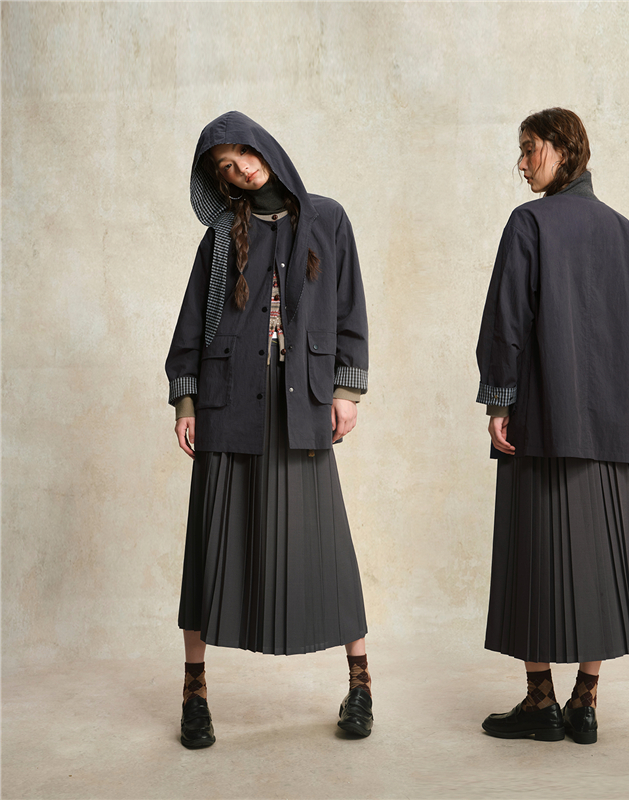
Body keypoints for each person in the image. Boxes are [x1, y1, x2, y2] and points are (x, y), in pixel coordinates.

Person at [165, 111, 373, 748]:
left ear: (265, 147)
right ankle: (194, 691)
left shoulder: (327, 218)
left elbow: (349, 308)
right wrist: (186, 403)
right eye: (226, 167)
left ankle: (361, 684)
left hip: (303, 404)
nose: (242, 170)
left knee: (328, 547)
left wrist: (346, 390)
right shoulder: (221, 238)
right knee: (210, 547)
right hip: (229, 405)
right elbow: (192, 323)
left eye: (244, 154)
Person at [475, 108, 629, 745]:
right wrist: (628, 403)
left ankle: (540, 701)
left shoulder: (529, 223)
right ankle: (585, 702)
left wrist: (499, 401)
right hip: (606, 427)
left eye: (529, 149)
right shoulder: (619, 228)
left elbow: (506, 321)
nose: (522, 164)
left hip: (541, 423)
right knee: (599, 562)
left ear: (562, 148)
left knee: (532, 556)